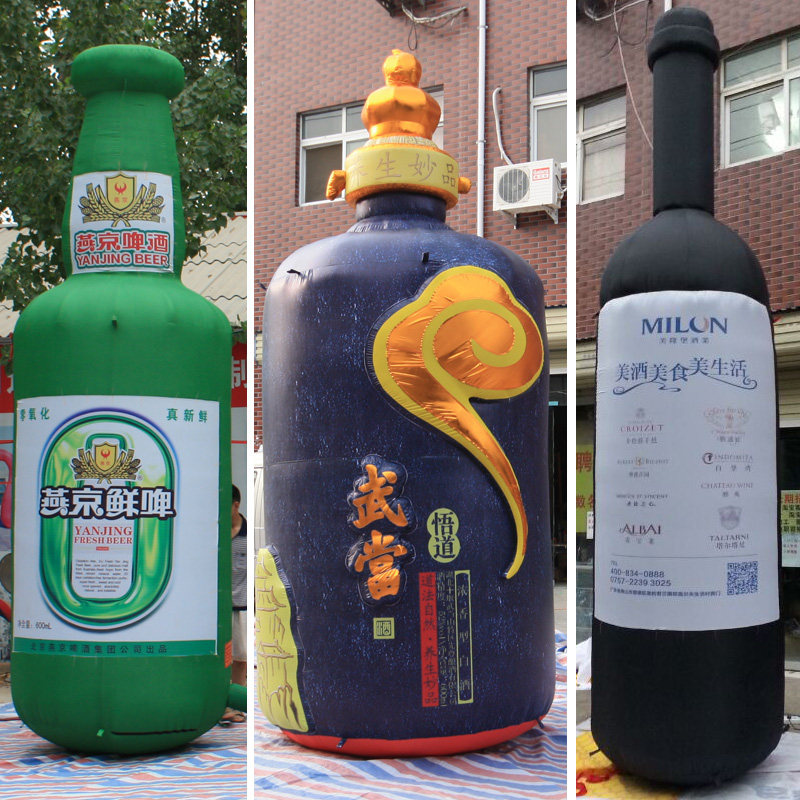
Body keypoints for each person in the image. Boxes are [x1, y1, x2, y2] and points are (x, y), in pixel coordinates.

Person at [222, 484, 247, 723]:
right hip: (218, 607)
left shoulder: (247, 535)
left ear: (235, 505)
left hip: (242, 606)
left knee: (240, 657)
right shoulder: (215, 531)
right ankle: (221, 705)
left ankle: (236, 707)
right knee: (222, 657)